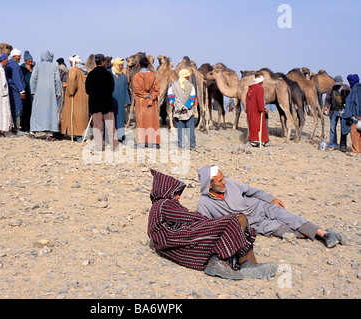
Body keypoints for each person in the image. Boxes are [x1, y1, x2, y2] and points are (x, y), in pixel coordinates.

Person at [148, 169, 278, 280]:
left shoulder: (159, 207)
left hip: (175, 241)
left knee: (236, 223)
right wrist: (213, 222)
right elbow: (189, 217)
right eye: (175, 193)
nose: (178, 197)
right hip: (179, 238)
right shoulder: (164, 204)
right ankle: (222, 260)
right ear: (165, 192)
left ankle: (247, 263)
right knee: (238, 220)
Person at [196, 165, 347, 248]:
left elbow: (252, 191)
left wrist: (271, 198)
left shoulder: (231, 183)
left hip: (260, 207)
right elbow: (207, 225)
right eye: (220, 181)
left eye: (223, 178)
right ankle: (324, 234)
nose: (225, 182)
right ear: (209, 185)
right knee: (284, 231)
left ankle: (324, 234)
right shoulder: (204, 204)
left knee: (289, 217)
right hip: (254, 224)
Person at [85, 54, 118, 151]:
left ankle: (99, 147)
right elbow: (112, 88)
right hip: (107, 104)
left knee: (98, 127)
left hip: (95, 105)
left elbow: (87, 90)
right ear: (103, 62)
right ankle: (114, 146)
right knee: (110, 126)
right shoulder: (108, 74)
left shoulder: (90, 75)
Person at [29, 50, 62, 141]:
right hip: (50, 93)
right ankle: (49, 134)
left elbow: (33, 79)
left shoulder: (37, 66)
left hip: (39, 92)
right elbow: (58, 80)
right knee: (50, 112)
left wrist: (33, 91)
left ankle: (32, 133)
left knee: (37, 111)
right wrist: (58, 92)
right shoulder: (54, 67)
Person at [132, 57, 161, 148]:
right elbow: (157, 89)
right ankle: (154, 142)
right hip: (152, 102)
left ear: (140, 65)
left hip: (142, 101)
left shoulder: (137, 76)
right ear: (148, 65)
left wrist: (146, 96)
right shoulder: (153, 75)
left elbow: (137, 90)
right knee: (153, 121)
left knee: (141, 121)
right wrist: (151, 97)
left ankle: (142, 142)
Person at [60, 55, 89, 141]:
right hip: (84, 97)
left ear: (74, 62)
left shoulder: (74, 70)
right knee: (82, 116)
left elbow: (72, 81)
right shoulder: (84, 70)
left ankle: (77, 134)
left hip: (75, 97)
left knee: (75, 116)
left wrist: (70, 91)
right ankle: (82, 134)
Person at [167, 69, 197, 149]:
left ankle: (181, 145)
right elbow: (192, 98)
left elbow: (170, 98)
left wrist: (178, 107)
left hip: (178, 111)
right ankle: (192, 145)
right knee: (190, 129)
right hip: (189, 112)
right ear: (186, 77)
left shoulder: (173, 86)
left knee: (180, 129)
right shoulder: (191, 86)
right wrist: (186, 108)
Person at [323, 75, 351, 151]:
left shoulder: (347, 88)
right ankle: (332, 145)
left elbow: (351, 98)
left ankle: (343, 145)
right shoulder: (331, 89)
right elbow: (327, 100)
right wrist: (326, 107)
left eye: (339, 83)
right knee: (332, 128)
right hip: (334, 110)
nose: (337, 85)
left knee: (343, 128)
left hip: (344, 110)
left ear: (342, 82)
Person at [245, 72, 269, 147]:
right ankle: (260, 140)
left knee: (253, 124)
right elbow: (260, 100)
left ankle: (253, 140)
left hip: (251, 110)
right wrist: (262, 109)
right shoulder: (259, 88)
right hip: (257, 111)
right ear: (261, 81)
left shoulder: (250, 88)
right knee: (259, 124)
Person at [110, 58, 131, 142]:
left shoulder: (123, 76)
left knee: (120, 118)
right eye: (121, 65)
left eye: (123, 65)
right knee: (111, 118)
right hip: (111, 100)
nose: (122, 67)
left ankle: (120, 136)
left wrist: (127, 100)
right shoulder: (109, 74)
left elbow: (126, 89)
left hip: (121, 101)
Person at [5, 49, 26, 132]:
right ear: (14, 56)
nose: (20, 58)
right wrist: (22, 91)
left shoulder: (9, 64)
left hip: (11, 89)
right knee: (17, 108)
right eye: (19, 56)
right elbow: (17, 79)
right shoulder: (14, 66)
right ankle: (16, 128)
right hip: (15, 90)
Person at [343, 74, 361, 154]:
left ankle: (356, 151)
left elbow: (356, 102)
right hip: (358, 115)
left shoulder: (356, 89)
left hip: (356, 116)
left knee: (354, 133)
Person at [20, 51, 34, 132]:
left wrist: (31, 71)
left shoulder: (33, 68)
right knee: (24, 109)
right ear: (25, 61)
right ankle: (24, 126)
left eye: (31, 61)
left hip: (32, 92)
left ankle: (30, 126)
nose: (30, 63)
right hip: (25, 91)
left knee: (31, 109)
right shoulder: (21, 68)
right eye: (29, 61)